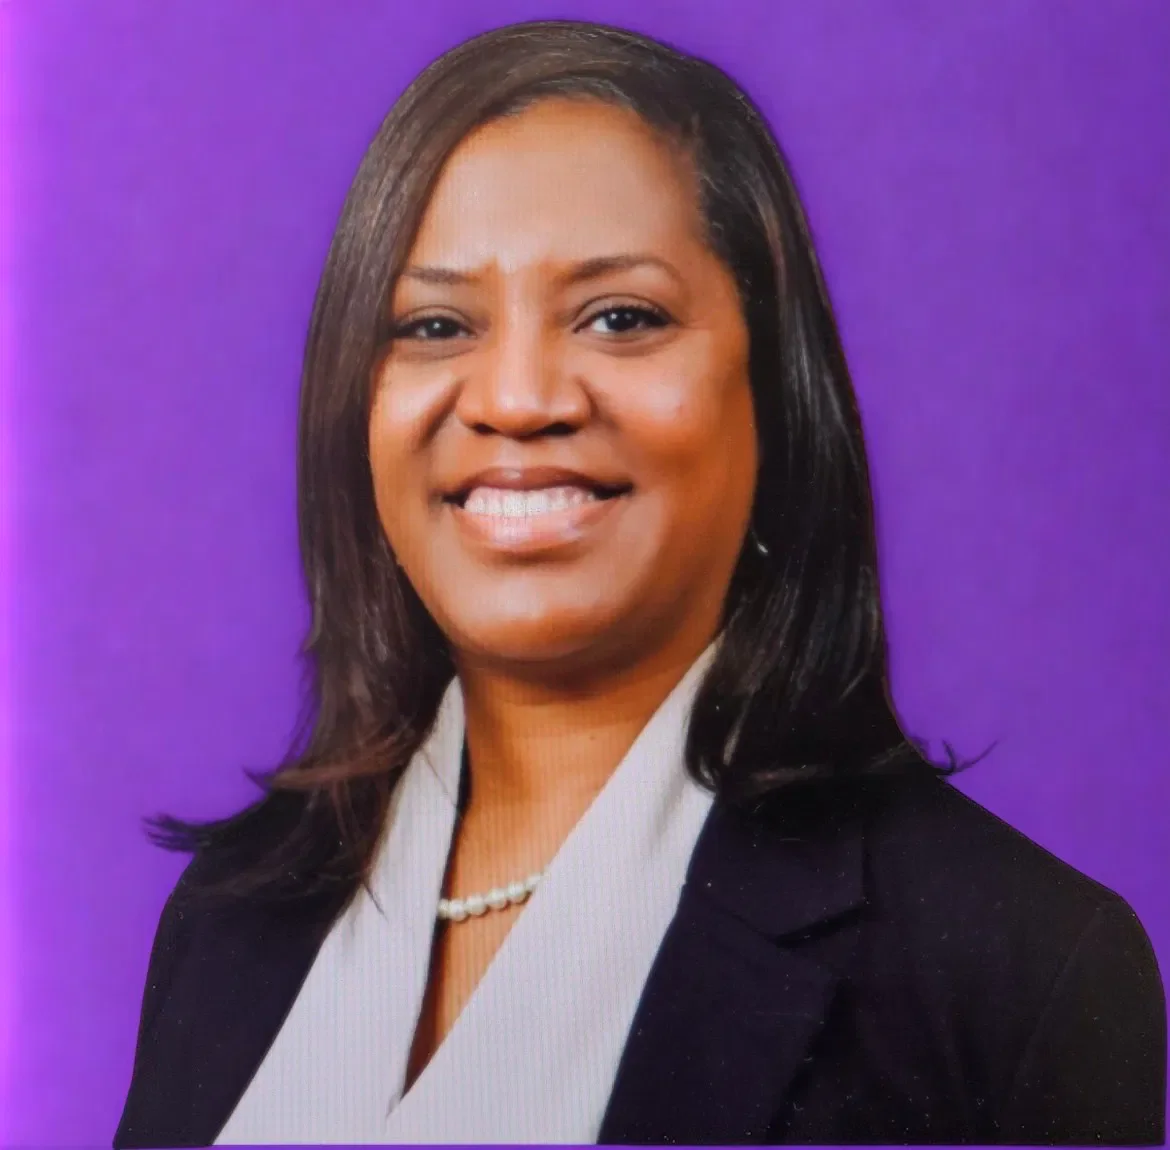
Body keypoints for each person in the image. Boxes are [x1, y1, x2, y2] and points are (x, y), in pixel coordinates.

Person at [113, 19, 1165, 1147]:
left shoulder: (1012, 972)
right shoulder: (232, 914)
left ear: (773, 391)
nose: (517, 400)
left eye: (621, 317)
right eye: (435, 324)